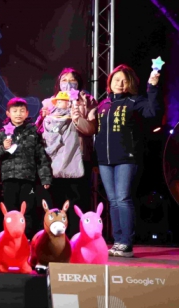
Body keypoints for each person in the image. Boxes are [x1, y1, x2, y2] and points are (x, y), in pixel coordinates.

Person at [95, 64, 162, 257]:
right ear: (110, 82)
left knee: (123, 198)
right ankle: (118, 241)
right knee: (113, 201)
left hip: (127, 157)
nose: (120, 84)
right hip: (105, 159)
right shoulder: (104, 104)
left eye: (125, 81)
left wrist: (152, 86)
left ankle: (126, 242)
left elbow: (153, 112)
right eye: (117, 80)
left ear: (131, 83)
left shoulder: (135, 101)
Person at [36, 68, 98, 236]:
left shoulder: (88, 101)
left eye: (72, 80)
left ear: (79, 83)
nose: (68, 84)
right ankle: (56, 240)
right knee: (56, 202)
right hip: (55, 160)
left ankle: (76, 239)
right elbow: (40, 131)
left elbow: (91, 129)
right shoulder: (49, 103)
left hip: (79, 159)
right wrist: (43, 118)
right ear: (58, 83)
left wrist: (77, 117)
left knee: (78, 202)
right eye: (64, 80)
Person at [0, 98, 52, 239]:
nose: (18, 114)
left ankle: (26, 238)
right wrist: (3, 148)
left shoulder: (33, 131)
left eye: (21, 111)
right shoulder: (2, 133)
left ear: (27, 113)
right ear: (8, 113)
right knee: (10, 210)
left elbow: (41, 156)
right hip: (9, 178)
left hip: (28, 178)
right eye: (15, 111)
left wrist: (45, 177)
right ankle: (10, 238)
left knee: (27, 210)